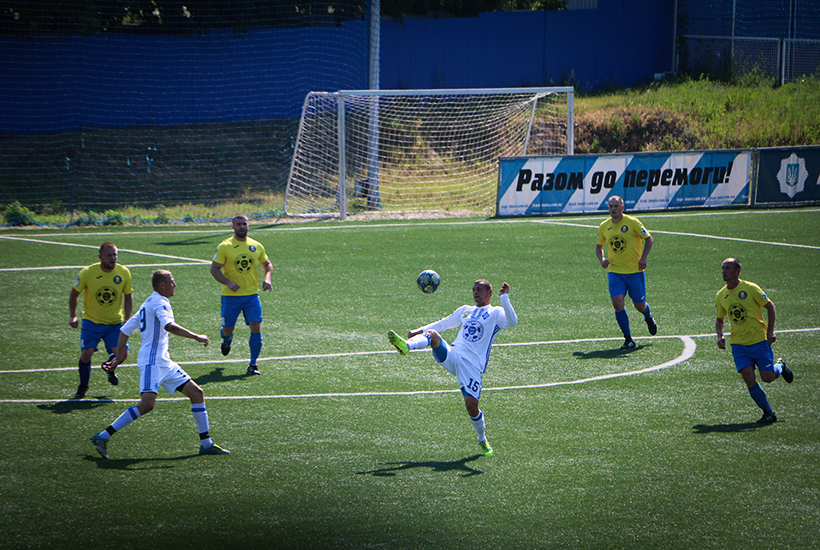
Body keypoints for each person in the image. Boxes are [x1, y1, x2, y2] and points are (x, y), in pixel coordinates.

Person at [91, 270, 229, 459]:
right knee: (147, 404)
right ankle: (103, 436)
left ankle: (206, 444)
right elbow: (169, 326)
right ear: (162, 285)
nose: (175, 285)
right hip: (151, 362)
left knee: (197, 393)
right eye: (172, 282)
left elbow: (125, 330)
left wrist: (118, 357)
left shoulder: (148, 303)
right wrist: (196, 336)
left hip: (164, 362)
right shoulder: (159, 302)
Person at [387, 280, 518, 457]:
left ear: (489, 293)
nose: (475, 292)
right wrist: (419, 330)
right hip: (454, 355)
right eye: (473, 289)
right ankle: (407, 346)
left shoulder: (496, 313)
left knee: (472, 408)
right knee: (433, 335)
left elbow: (512, 321)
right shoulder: (466, 310)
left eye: (479, 290)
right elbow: (444, 324)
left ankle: (482, 439)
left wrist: (505, 298)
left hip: (472, 366)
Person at [716, 258, 793, 424]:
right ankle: (768, 413)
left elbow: (770, 306)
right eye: (723, 268)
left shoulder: (751, 288)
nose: (724, 271)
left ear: (737, 271)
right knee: (747, 376)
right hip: (738, 344)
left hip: (759, 340)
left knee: (768, 377)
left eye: (728, 268)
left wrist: (770, 330)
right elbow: (720, 319)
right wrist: (720, 336)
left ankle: (780, 366)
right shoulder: (721, 295)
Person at [210, 214, 273, 375]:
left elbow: (267, 264)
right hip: (230, 297)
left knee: (256, 326)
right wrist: (227, 283)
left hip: (252, 295)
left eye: (244, 224)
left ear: (248, 225)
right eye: (238, 224)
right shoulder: (225, 246)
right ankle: (226, 340)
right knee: (228, 329)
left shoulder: (256, 246)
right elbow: (214, 268)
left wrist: (267, 278)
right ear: (233, 227)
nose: (242, 227)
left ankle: (253, 364)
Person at [68, 242, 133, 399]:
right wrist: (73, 315)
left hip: (114, 323)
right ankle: (83, 387)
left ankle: (109, 368)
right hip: (92, 322)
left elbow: (128, 296)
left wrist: (127, 318)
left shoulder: (124, 272)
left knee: (122, 355)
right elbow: (74, 294)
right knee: (87, 353)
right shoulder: (87, 273)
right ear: (100, 257)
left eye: (115, 255)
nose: (113, 258)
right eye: (109, 255)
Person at [595, 195, 657, 349]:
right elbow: (599, 247)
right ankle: (628, 338)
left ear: (622, 208)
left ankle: (648, 316)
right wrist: (602, 259)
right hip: (615, 272)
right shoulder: (604, 226)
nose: (613, 209)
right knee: (617, 302)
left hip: (635, 271)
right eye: (610, 206)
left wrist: (643, 258)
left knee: (639, 305)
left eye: (616, 206)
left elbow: (649, 239)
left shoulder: (632, 222)